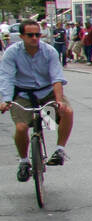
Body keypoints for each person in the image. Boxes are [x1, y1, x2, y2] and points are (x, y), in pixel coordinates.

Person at [0, 19, 74, 179]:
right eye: (30, 35)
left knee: (66, 112)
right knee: (21, 128)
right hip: (23, 94)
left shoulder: (49, 51)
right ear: (21, 36)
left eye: (37, 34)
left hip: (46, 92)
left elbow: (56, 78)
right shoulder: (12, 53)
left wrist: (59, 101)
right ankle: (24, 161)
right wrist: (6, 100)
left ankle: (59, 150)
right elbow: (6, 77)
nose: (34, 38)